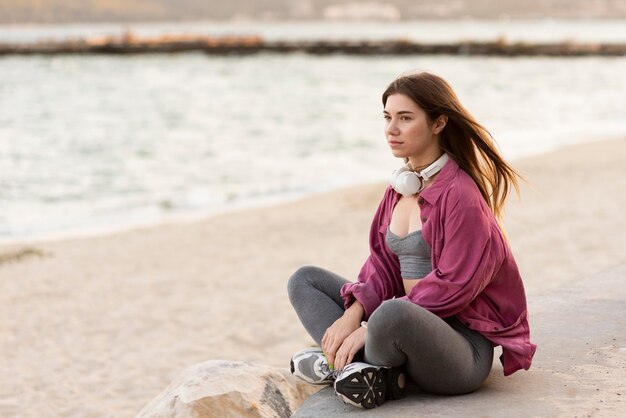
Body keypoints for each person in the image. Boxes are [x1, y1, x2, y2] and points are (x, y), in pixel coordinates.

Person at [287, 71, 536, 409]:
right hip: (399, 329)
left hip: (459, 351)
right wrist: (353, 314)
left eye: (405, 118)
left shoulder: (461, 194)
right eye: (388, 117)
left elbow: (455, 284)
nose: (392, 129)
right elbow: (381, 268)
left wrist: (371, 326)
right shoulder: (398, 190)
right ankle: (364, 371)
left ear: (438, 123)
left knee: (393, 313)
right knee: (305, 280)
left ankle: (343, 365)